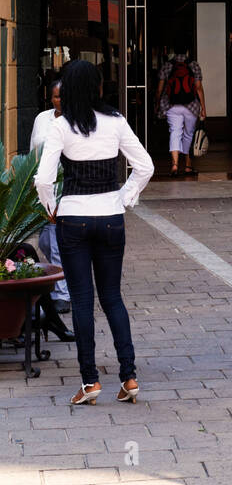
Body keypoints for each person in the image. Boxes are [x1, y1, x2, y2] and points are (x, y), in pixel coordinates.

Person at [34, 60, 154, 407]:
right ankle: (129, 377)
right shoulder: (116, 121)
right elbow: (145, 166)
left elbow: (43, 179)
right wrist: (124, 198)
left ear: (68, 90)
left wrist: (51, 209)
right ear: (98, 87)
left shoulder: (61, 126)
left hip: (73, 219)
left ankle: (90, 382)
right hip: (112, 218)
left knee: (82, 301)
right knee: (112, 297)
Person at [31, 78, 70, 313]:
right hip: (42, 188)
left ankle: (62, 294)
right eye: (56, 96)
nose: (59, 100)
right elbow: (32, 151)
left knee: (55, 242)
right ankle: (69, 279)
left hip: (64, 189)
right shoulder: (41, 119)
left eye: (63, 96)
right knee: (45, 241)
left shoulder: (75, 121)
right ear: (50, 97)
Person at [155, 43, 206, 177]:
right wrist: (203, 108)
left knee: (175, 132)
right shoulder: (194, 65)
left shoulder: (167, 65)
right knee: (188, 134)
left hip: (171, 105)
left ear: (174, 51)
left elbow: (160, 89)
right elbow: (199, 87)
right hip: (191, 105)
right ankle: (188, 166)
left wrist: (157, 104)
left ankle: (175, 165)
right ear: (187, 50)